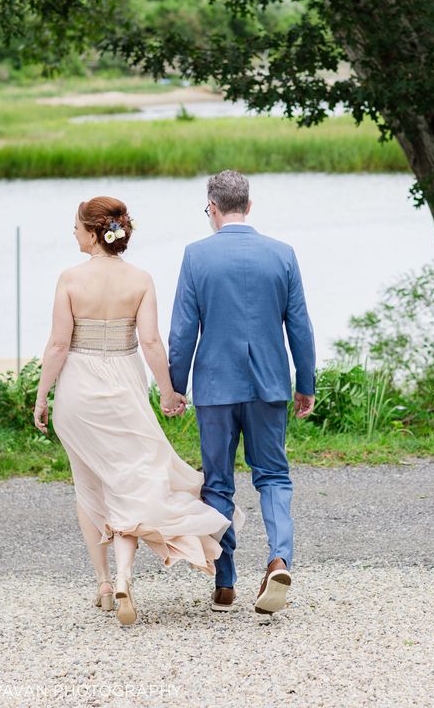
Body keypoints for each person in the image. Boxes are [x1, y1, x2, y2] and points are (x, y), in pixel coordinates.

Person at [32, 195, 244, 627]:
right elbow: (150, 343)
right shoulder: (141, 279)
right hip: (123, 392)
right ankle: (124, 578)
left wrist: (42, 396)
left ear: (94, 232)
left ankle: (104, 583)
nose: (73, 233)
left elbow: (57, 345)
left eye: (77, 227)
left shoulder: (69, 279)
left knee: (88, 486)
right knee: (129, 483)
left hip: (77, 396)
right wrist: (168, 392)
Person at [169, 170, 316, 617]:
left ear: (212, 208)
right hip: (269, 384)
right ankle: (279, 560)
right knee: (273, 477)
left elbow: (182, 332)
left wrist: (176, 386)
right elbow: (300, 327)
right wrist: (305, 384)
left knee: (217, 483)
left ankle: (225, 583)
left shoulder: (196, 256)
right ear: (248, 206)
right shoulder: (282, 254)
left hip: (215, 387)